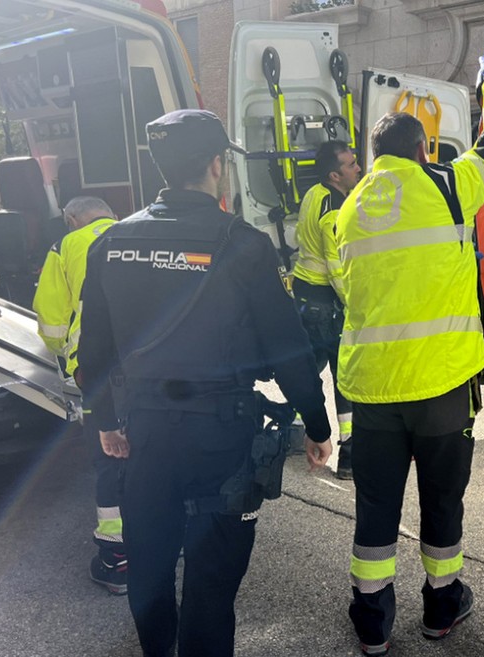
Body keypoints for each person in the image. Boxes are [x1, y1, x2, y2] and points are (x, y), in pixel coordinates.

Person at [77, 109, 332, 657]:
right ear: (217, 165)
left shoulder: (112, 242)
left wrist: (105, 423)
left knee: (148, 566)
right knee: (211, 586)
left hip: (146, 435)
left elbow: (91, 353)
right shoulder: (242, 243)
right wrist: (316, 423)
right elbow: (288, 348)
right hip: (222, 439)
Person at [334, 45, 484, 656]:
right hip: (441, 389)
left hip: (372, 392)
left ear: (373, 156)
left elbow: (365, 284)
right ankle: (442, 607)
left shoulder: (350, 208)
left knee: (376, 507)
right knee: (441, 502)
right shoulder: (446, 185)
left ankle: (371, 620)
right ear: (422, 150)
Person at [32, 195, 128, 594]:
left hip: (99, 371)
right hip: (153, 366)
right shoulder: (139, 232)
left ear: (71, 219)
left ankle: (117, 560)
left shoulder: (65, 245)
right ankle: (165, 539)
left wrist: (65, 359)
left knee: (111, 458)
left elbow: (51, 318)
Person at [290, 139, 362, 479]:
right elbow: (337, 270)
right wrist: (357, 305)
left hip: (305, 296)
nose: (358, 168)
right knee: (344, 378)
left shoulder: (314, 194)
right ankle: (349, 455)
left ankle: (291, 429)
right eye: (351, 165)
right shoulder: (334, 210)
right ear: (335, 175)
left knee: (306, 370)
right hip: (326, 304)